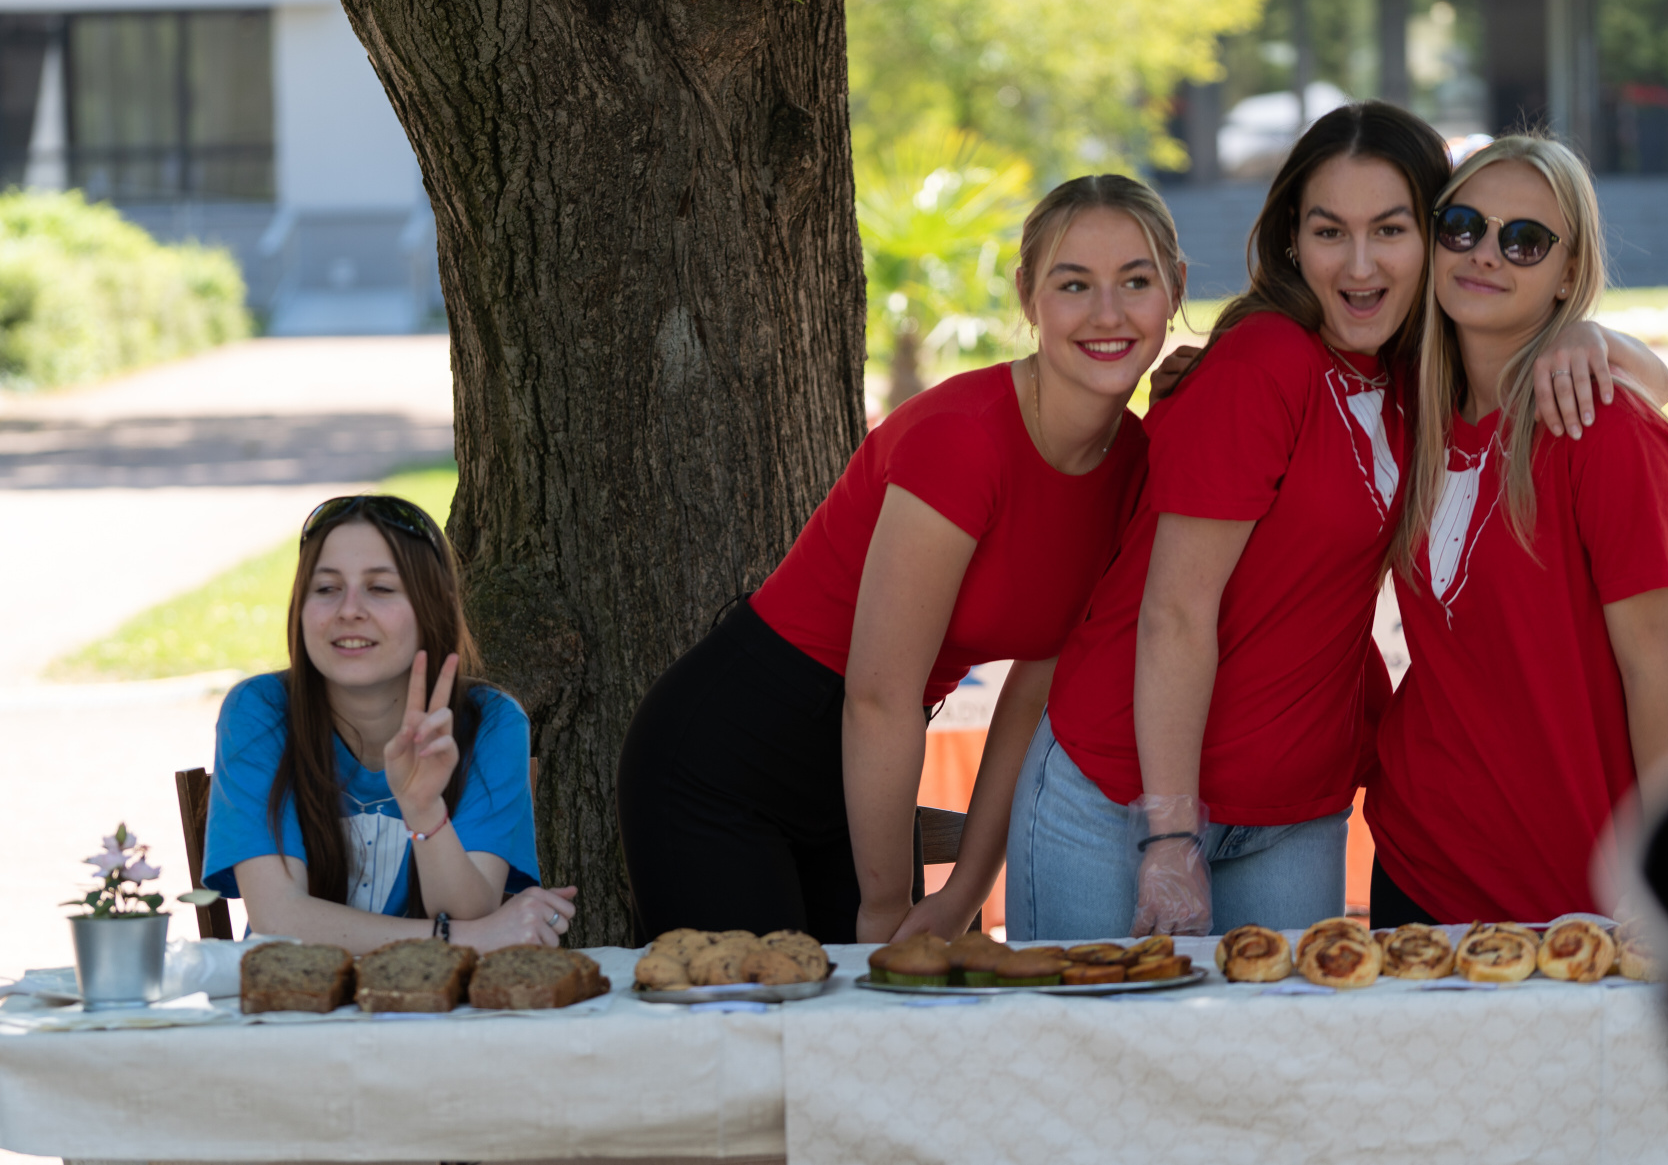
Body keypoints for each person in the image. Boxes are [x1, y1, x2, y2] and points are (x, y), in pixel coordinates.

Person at [1009, 104, 1668, 940]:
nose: (1360, 265)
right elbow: (1174, 611)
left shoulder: (1416, 378)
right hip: (1127, 796)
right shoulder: (1264, 360)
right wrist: (1170, 836)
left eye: (1390, 229)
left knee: (1291, 1033)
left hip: (1292, 810)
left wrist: (1587, 336)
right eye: (1330, 232)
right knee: (1083, 1030)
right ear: (1294, 240)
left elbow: (1650, 390)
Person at [618, 175, 1188, 945]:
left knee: (882, 1011)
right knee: (763, 1011)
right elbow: (879, 694)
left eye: (1136, 281)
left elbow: (1032, 695)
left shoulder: (1137, 466)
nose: (1108, 313)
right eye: (1074, 283)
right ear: (1029, 296)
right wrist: (884, 908)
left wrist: (963, 894)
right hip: (728, 760)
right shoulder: (964, 438)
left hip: (867, 776)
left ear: (1175, 289)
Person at [1366, 134, 1668, 926]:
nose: (1485, 254)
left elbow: (1656, 674)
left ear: (1568, 275)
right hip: (1418, 863)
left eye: (1525, 240)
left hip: (1575, 892)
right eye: (1462, 227)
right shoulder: (1409, 408)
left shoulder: (1608, 434)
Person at [203, 494, 575, 953]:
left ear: (431, 607)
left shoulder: (490, 723)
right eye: (326, 588)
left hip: (436, 997)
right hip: (295, 994)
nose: (349, 610)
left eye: (380, 588)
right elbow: (278, 919)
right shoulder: (259, 710)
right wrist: (455, 938)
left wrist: (424, 810)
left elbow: (472, 914)